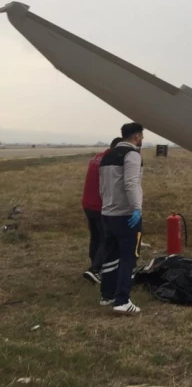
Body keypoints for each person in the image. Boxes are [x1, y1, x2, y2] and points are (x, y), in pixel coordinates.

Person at [98, 122, 145, 315]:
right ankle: (122, 300)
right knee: (128, 258)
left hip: (107, 213)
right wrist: (137, 208)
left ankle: (106, 295)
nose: (142, 139)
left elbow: (102, 187)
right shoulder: (132, 154)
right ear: (136, 136)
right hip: (126, 215)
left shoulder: (107, 155)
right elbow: (132, 182)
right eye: (141, 135)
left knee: (110, 255)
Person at [81, 137, 123, 284]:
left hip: (87, 203)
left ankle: (94, 265)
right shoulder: (110, 161)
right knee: (107, 238)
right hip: (100, 206)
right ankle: (95, 269)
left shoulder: (96, 157)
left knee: (95, 236)